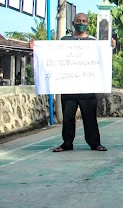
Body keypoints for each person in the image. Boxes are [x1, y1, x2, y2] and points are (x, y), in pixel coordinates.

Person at [30, 12, 113, 152]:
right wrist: (35, 47)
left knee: (90, 118)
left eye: (84, 21)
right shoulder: (64, 40)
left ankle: (95, 143)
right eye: (78, 21)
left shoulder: (94, 42)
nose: (81, 23)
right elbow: (52, 55)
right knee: (68, 117)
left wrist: (111, 46)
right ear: (73, 23)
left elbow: (104, 58)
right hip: (68, 87)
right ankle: (67, 143)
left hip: (88, 87)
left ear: (88, 24)